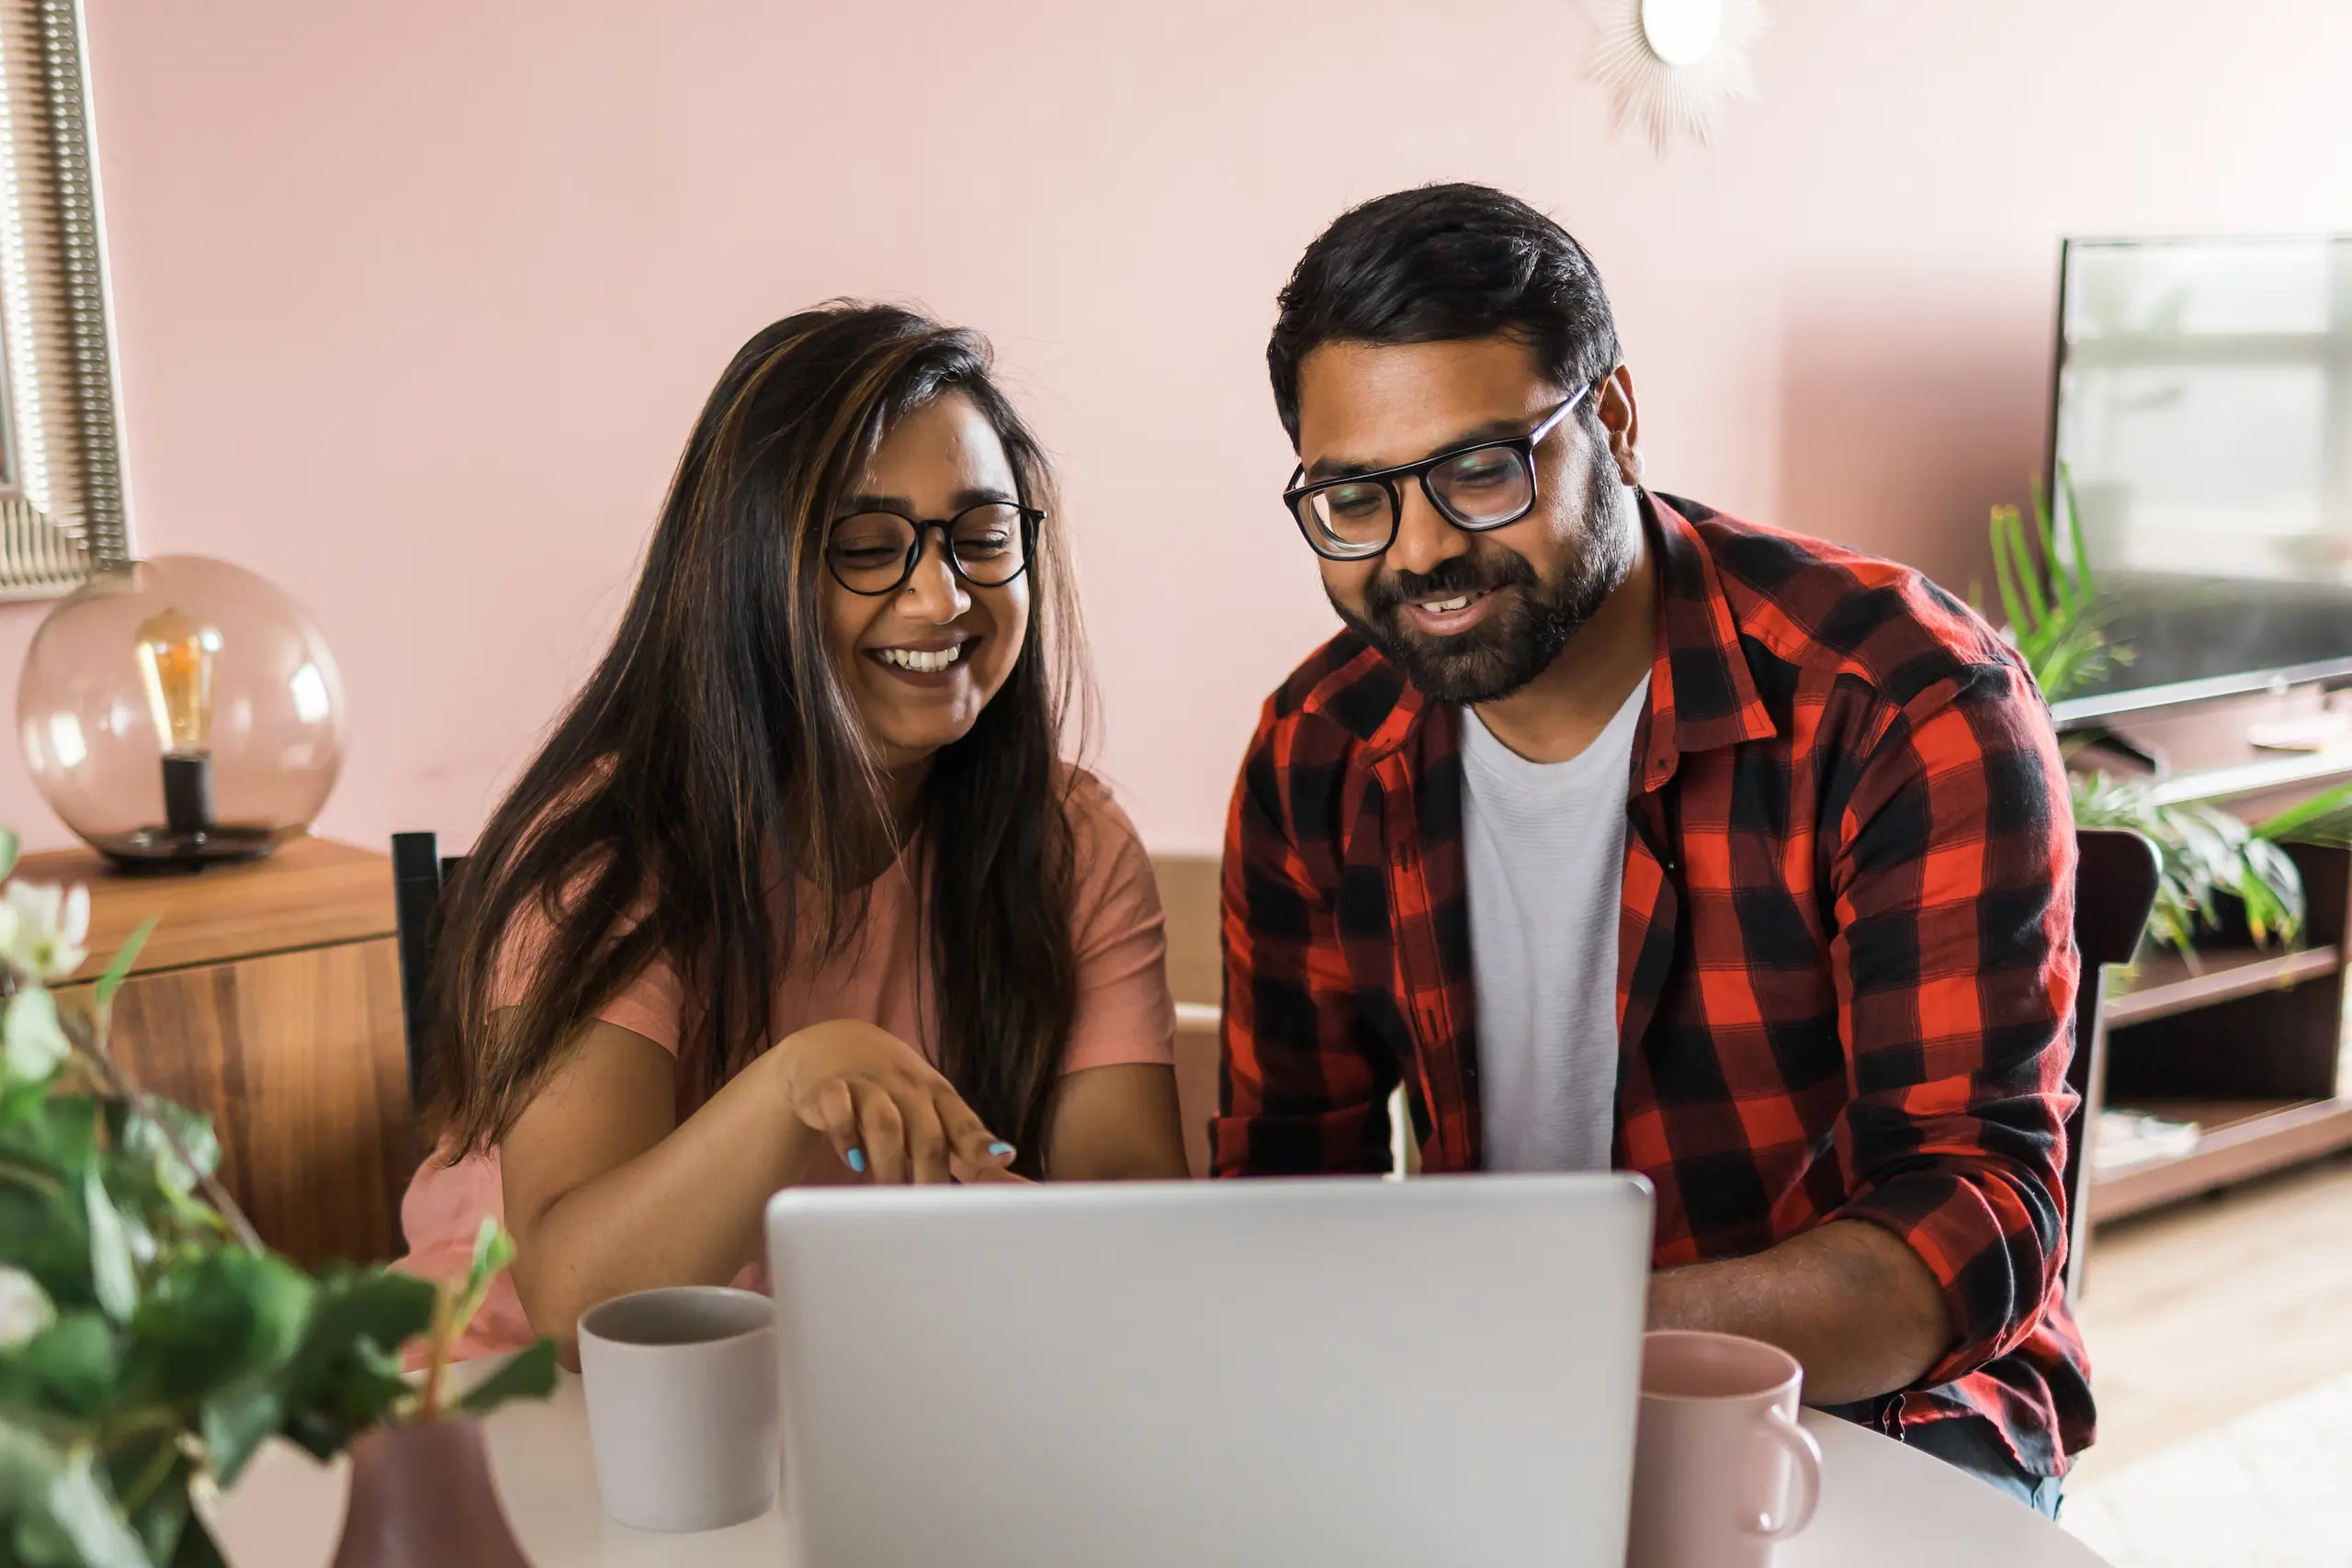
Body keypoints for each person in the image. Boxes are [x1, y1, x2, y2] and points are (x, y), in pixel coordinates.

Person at [1216, 184, 2086, 1515]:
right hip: (1485, 1405)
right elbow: (1285, 1195)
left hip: (1872, 1412)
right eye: (1356, 498)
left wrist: (1550, 1331)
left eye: (1481, 468)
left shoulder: (1901, 698)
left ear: (1611, 419)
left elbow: (1974, 1221)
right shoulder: (1318, 749)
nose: (1425, 548)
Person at [402, 303, 1191, 1359]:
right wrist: (793, 1084)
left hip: (867, 1392)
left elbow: (1127, 1226)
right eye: (866, 547)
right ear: (748, 573)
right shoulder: (614, 851)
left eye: (983, 538)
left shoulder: (1071, 843)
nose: (940, 593)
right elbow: (574, 1303)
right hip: (537, 1406)